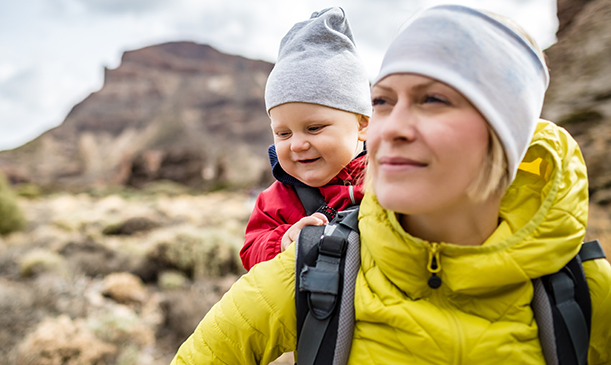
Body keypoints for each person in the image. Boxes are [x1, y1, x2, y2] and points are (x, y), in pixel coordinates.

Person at [172, 5, 611, 364]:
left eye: (432, 100)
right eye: (384, 101)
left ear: (507, 132)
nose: (392, 127)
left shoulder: (585, 294)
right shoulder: (311, 274)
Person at [240, 7, 371, 271]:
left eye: (314, 128)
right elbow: (250, 252)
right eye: (283, 133)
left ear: (362, 124)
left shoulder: (387, 179)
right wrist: (283, 241)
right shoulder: (276, 200)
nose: (297, 145)